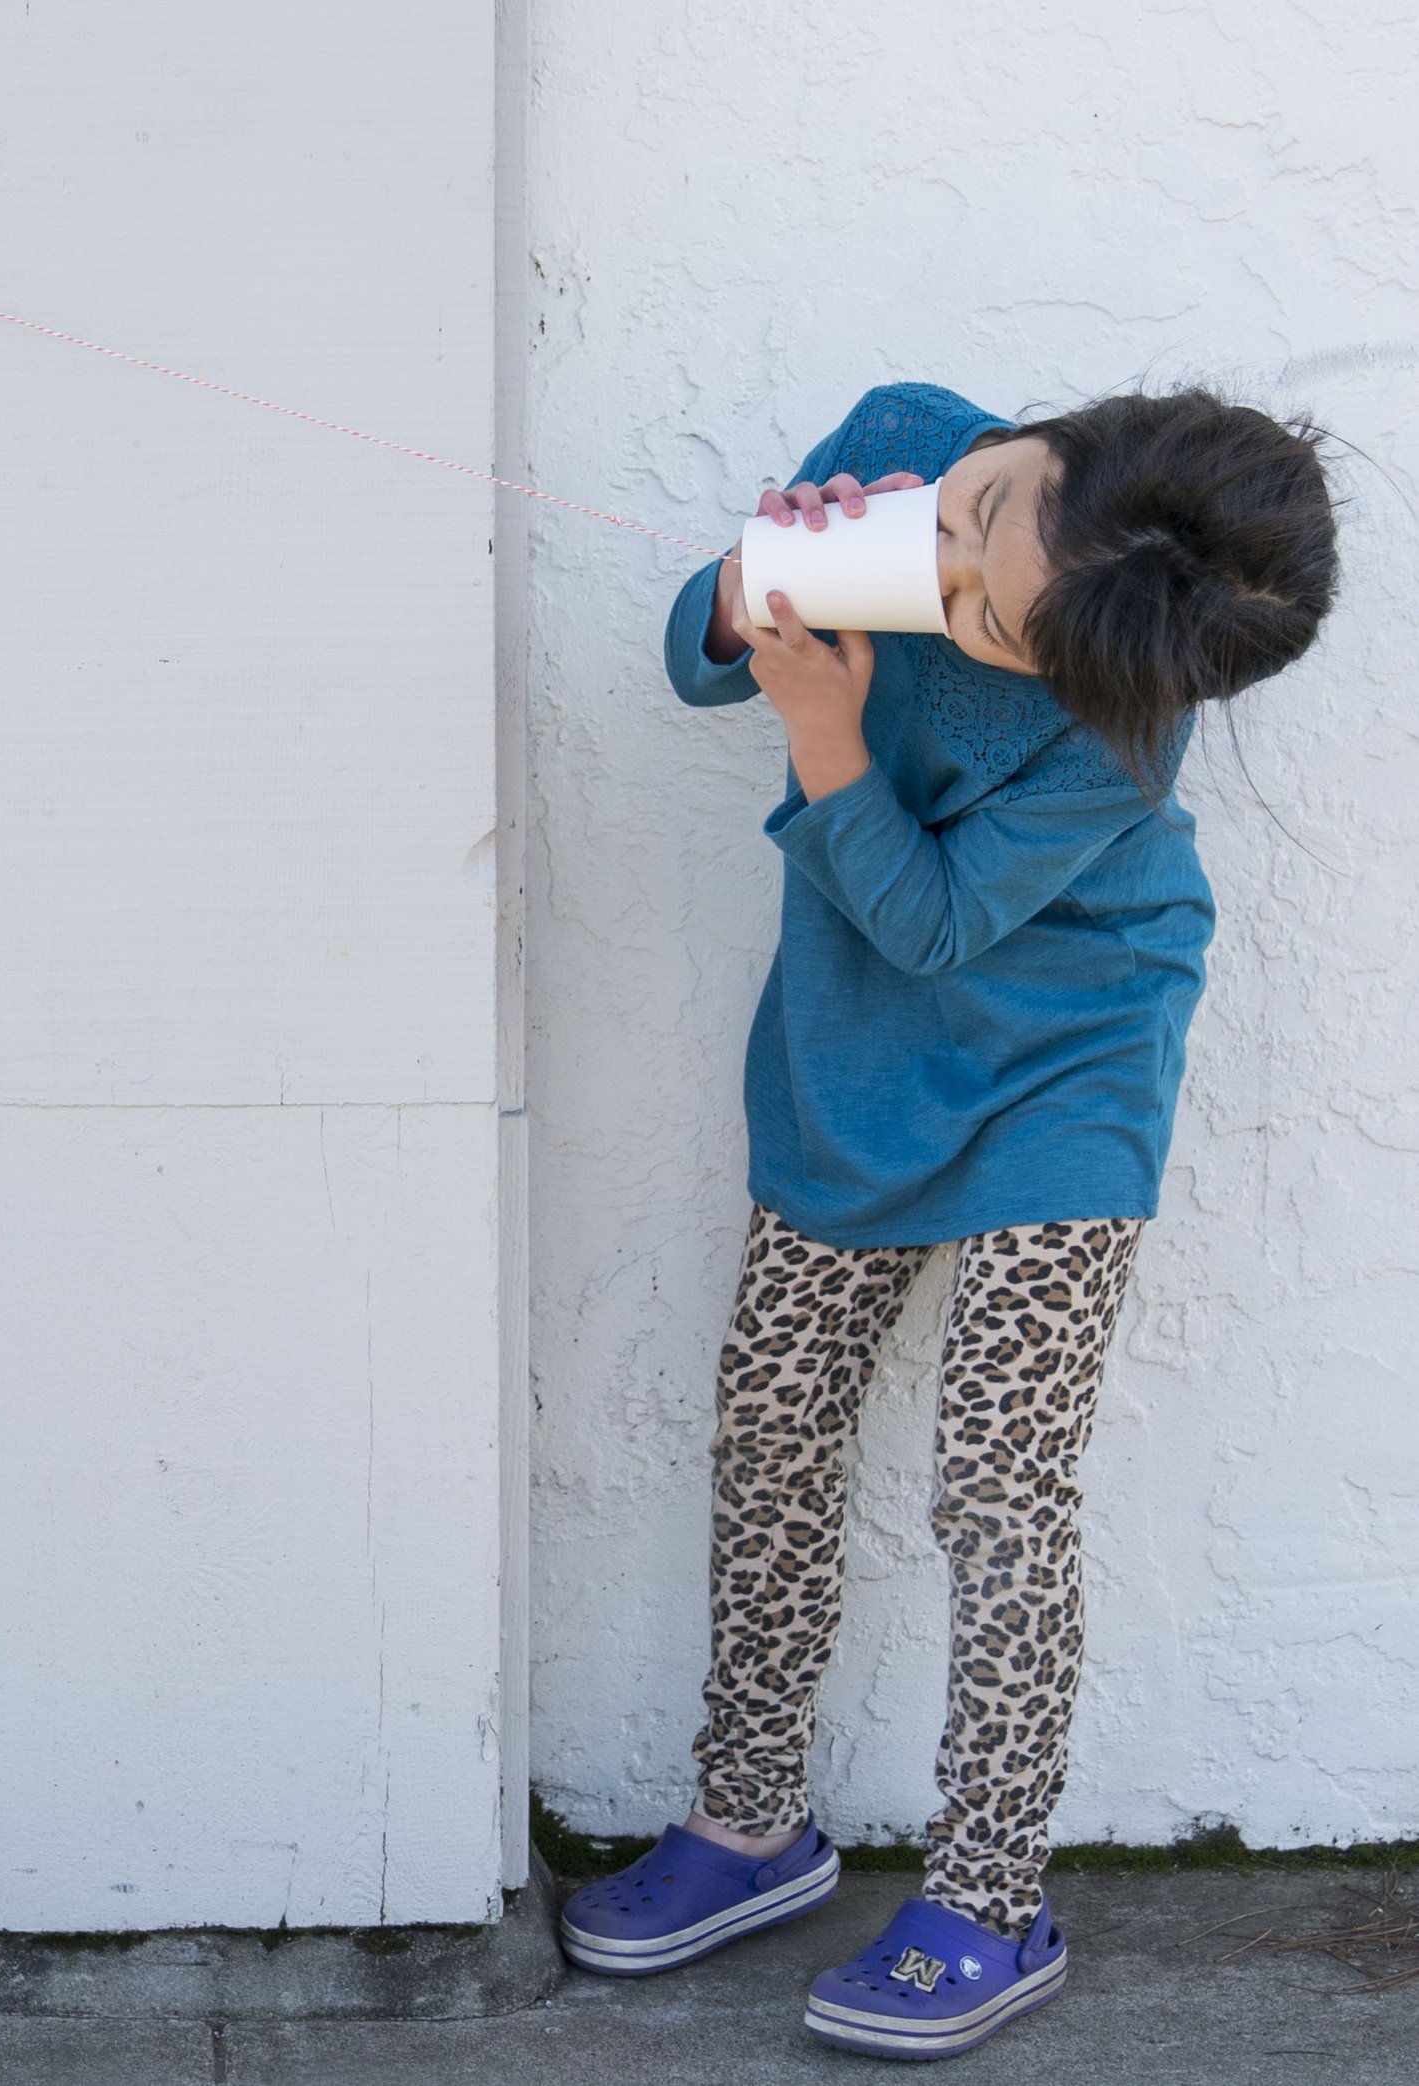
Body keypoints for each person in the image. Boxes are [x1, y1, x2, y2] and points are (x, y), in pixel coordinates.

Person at [558, 383, 1338, 2059]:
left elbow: (935, 922)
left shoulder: (1123, 722)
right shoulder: (913, 434)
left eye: (996, 618)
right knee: (771, 1420)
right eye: (976, 515)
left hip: (1064, 1074)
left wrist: (827, 731)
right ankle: (754, 1823)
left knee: (999, 1481)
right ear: (1032, 439)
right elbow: (695, 650)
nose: (954, 579)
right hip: (856, 1051)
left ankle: (993, 1895)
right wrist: (749, 584)